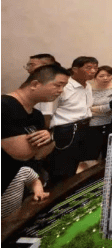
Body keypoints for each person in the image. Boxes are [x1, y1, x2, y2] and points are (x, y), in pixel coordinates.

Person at [2, 64, 69, 195]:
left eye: (64, 86)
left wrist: (49, 137)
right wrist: (45, 142)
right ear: (34, 84)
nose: (61, 90)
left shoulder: (37, 115)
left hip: (17, 184)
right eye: (58, 85)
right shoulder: (4, 106)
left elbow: (41, 154)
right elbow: (22, 152)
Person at [47, 56, 98, 183]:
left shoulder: (88, 86)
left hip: (83, 127)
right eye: (88, 68)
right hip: (66, 130)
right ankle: (56, 192)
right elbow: (48, 113)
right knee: (61, 167)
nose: (93, 71)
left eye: (95, 68)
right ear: (75, 69)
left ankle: (69, 190)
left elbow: (87, 107)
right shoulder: (64, 86)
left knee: (75, 165)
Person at [85, 65, 112, 164]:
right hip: (90, 125)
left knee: (108, 156)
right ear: (95, 77)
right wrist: (97, 110)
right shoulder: (88, 89)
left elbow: (111, 107)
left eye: (109, 75)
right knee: (90, 155)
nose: (105, 78)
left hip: (110, 124)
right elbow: (83, 107)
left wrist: (91, 109)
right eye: (101, 76)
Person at [25, 54, 60, 126]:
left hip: (40, 126)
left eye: (32, 65)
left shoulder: (47, 85)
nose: (28, 69)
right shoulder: (35, 82)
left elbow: (46, 115)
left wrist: (44, 130)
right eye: (28, 65)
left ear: (45, 66)